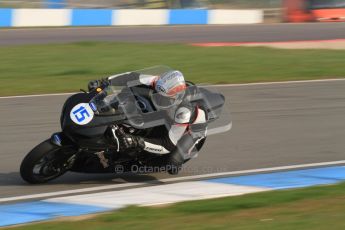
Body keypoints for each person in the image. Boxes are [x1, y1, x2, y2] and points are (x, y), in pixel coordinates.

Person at [88, 70, 208, 174]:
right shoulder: (158, 82)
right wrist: (104, 82)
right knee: (133, 92)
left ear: (175, 98)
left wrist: (137, 141)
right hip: (167, 115)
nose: (158, 98)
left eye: (163, 98)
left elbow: (167, 144)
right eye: (158, 94)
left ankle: (148, 162)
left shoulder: (184, 112)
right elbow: (130, 77)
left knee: (172, 162)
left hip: (192, 129)